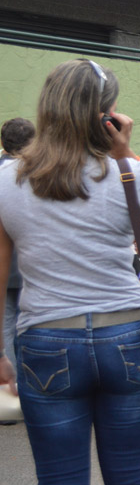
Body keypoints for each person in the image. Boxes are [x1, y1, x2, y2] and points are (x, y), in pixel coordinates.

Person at [0, 59, 140, 485]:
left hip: (45, 338)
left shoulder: (7, 179)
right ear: (104, 114)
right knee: (131, 480)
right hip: (125, 334)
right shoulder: (120, 172)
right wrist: (124, 150)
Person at [1, 117, 35, 375]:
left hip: (5, 262)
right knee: (30, 325)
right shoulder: (40, 175)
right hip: (32, 261)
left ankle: (10, 387)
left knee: (5, 325)